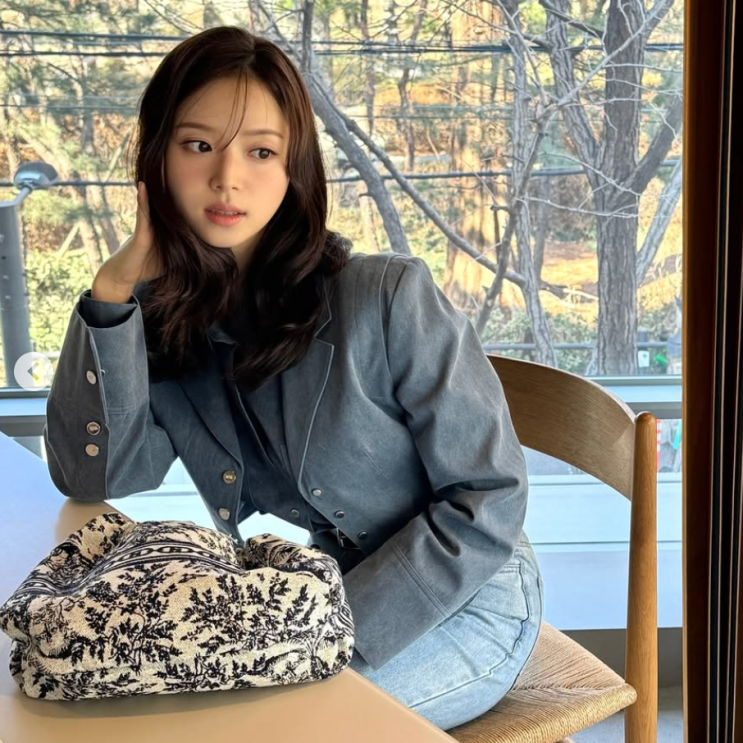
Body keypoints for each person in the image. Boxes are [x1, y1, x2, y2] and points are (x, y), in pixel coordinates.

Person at [43, 25, 544, 730]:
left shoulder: (387, 297)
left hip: (464, 598)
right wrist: (111, 292)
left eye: (261, 152)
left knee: (266, 731)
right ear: (156, 159)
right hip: (310, 594)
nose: (227, 178)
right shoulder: (163, 318)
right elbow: (95, 475)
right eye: (198, 145)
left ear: (294, 169)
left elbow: (488, 498)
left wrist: (328, 631)